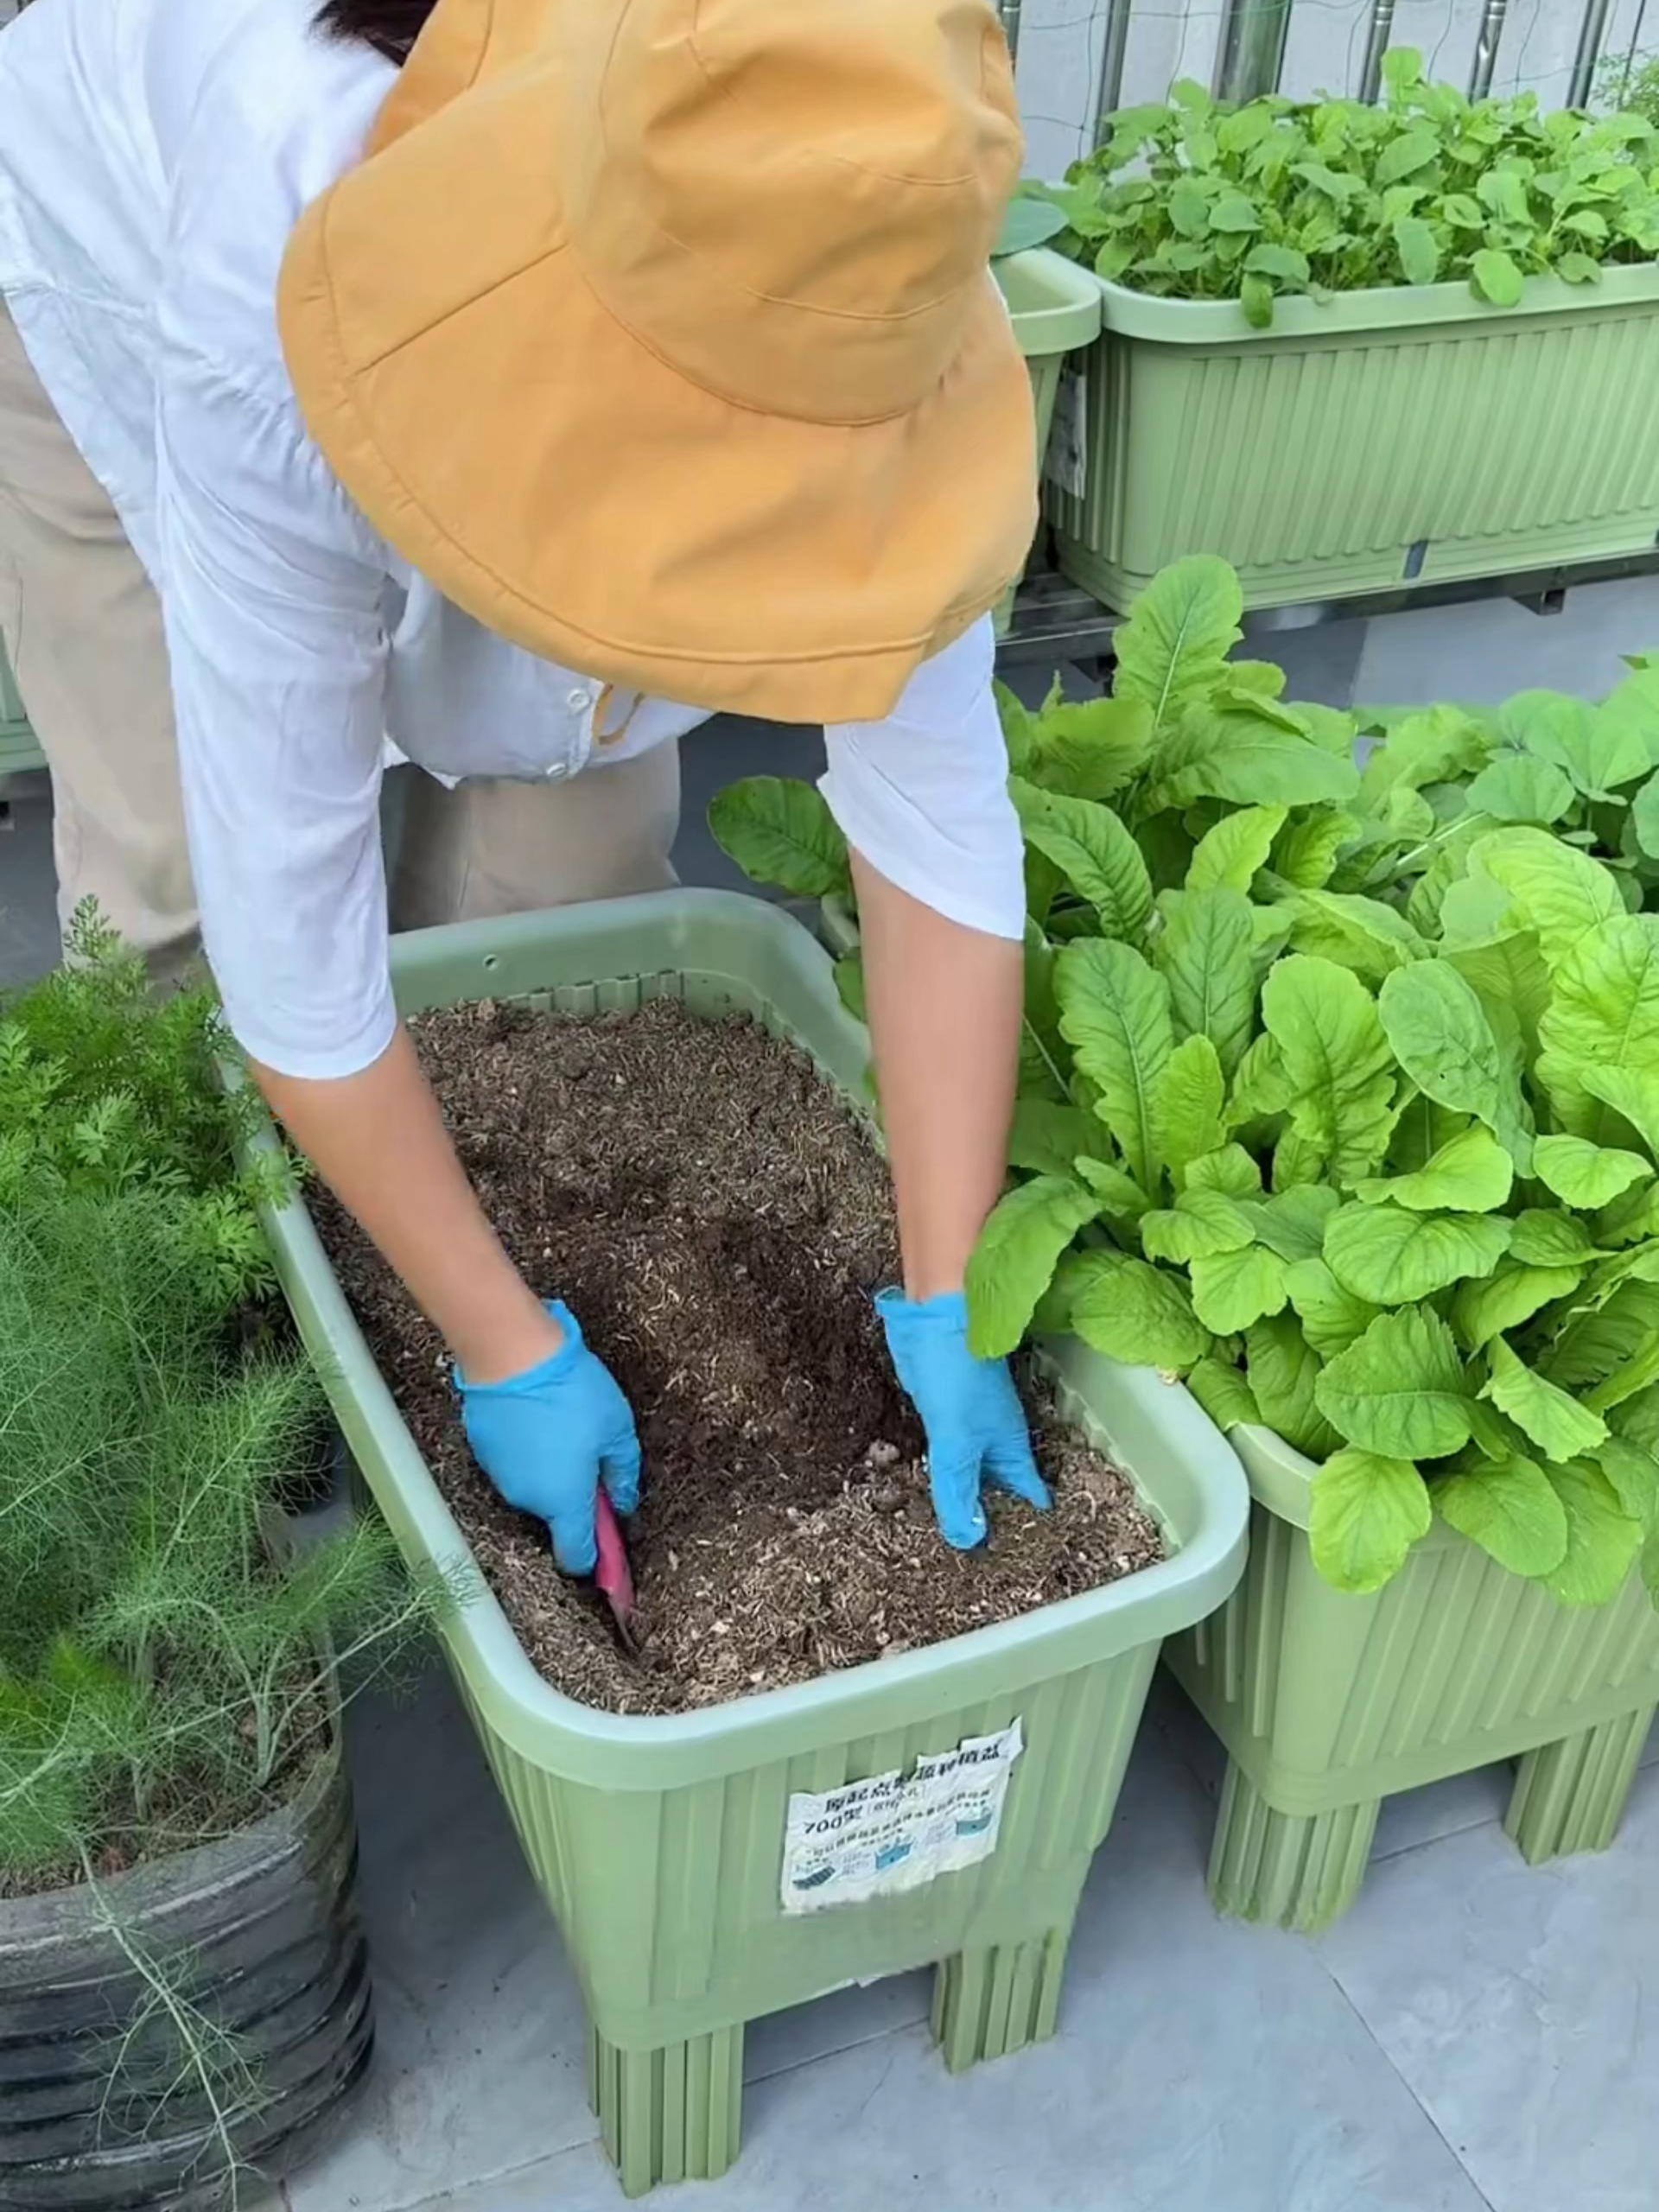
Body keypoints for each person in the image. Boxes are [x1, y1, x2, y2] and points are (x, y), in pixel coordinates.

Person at [0, 0, 1051, 1564]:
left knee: (573, 892)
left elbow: (938, 823)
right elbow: (289, 938)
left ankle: (439, 1246)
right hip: (116, 249)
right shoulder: (280, 250)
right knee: (165, 912)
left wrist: (956, 1280)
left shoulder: (850, 253)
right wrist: (507, 1349)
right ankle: (207, 1371)